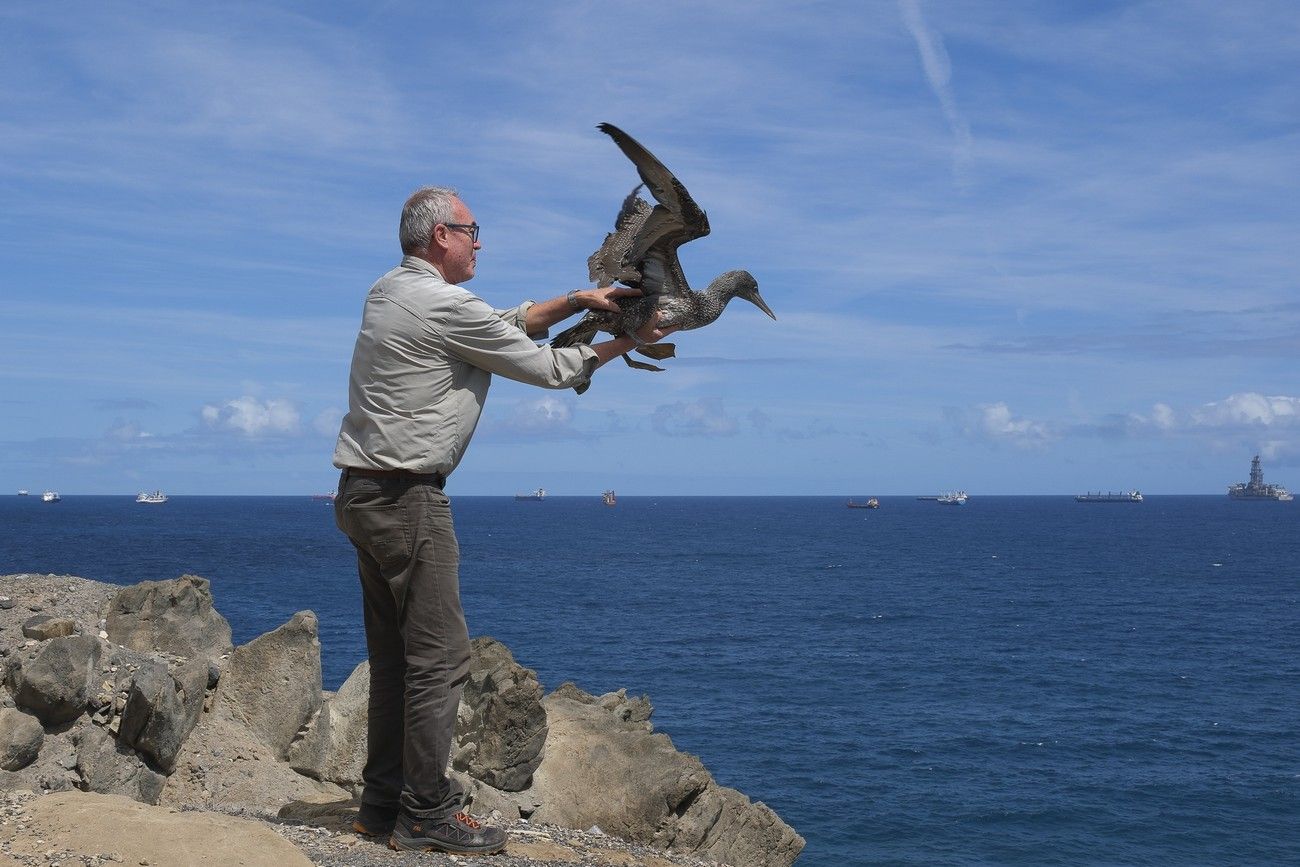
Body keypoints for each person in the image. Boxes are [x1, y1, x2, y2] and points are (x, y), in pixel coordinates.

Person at [332, 186, 672, 855]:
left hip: (360, 493)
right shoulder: (441, 303)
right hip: (408, 500)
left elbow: (502, 321)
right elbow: (547, 367)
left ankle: (380, 806)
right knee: (440, 660)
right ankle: (426, 812)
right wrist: (625, 339)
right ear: (441, 237)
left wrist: (578, 302)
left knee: (395, 659)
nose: (480, 240)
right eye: (472, 229)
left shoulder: (387, 290)